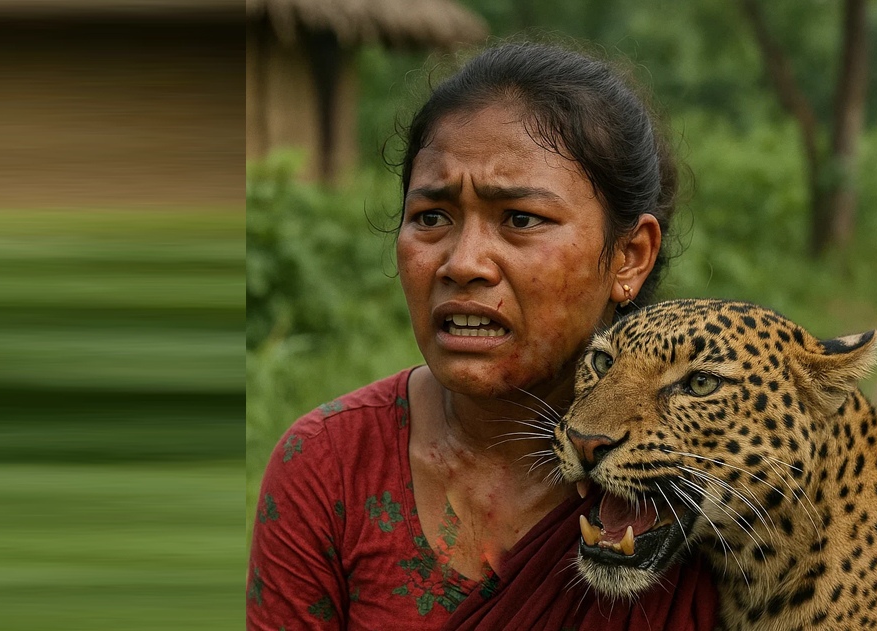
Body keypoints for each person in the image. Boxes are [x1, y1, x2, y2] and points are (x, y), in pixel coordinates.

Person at [247, 42, 717, 631]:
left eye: (520, 219)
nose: (462, 262)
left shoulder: (721, 483)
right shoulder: (330, 468)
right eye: (431, 218)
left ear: (629, 256)